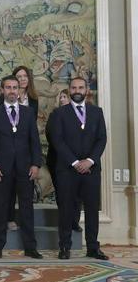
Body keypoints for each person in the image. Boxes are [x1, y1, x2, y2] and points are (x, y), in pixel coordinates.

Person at [50, 77, 108, 260]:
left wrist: (89, 161)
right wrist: (75, 163)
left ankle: (93, 247)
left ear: (86, 90)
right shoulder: (60, 113)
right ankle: (65, 247)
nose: (77, 90)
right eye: (73, 87)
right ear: (69, 90)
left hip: (91, 170)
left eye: (80, 87)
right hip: (67, 170)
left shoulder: (97, 112)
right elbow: (58, 141)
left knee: (91, 210)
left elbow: (102, 139)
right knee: (66, 209)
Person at [0, 75, 43, 259]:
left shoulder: (27, 113)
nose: (12, 91)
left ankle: (31, 247)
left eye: (15, 87)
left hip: (25, 169)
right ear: (2, 90)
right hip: (1, 169)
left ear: (19, 91)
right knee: (0, 207)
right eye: (8, 87)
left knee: (27, 208)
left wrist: (35, 164)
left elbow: (35, 141)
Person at [0, 65, 39, 231]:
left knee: (25, 197)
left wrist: (34, 161)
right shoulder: (6, 98)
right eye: (19, 76)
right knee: (6, 193)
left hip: (24, 150)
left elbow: (32, 130)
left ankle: (28, 234)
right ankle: (8, 220)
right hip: (6, 152)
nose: (22, 79)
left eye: (24, 76)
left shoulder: (33, 99)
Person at [47, 89, 82, 233]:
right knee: (63, 194)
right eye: (60, 97)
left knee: (77, 194)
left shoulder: (80, 115)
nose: (62, 99)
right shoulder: (54, 115)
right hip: (57, 160)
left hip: (78, 161)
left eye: (64, 96)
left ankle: (75, 221)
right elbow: (51, 136)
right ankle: (66, 222)